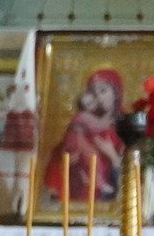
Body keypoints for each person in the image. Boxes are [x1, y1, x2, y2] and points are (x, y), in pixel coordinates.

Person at [43, 67, 125, 203]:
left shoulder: (124, 126)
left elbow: (134, 170)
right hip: (78, 193)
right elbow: (60, 155)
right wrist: (66, 159)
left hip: (109, 200)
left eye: (103, 91)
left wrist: (112, 155)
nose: (98, 97)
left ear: (116, 93)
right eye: (93, 93)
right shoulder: (83, 122)